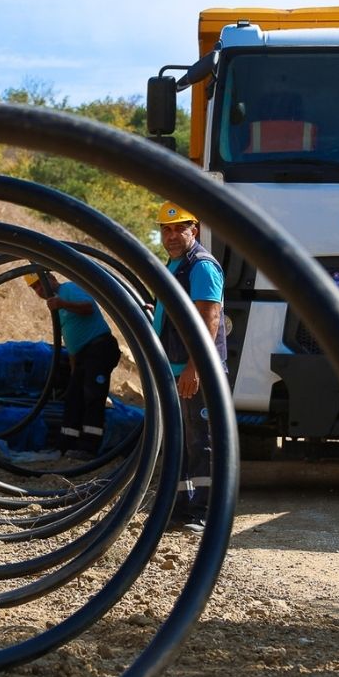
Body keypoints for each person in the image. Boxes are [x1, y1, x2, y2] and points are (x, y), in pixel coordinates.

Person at [153, 202, 227, 534]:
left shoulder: (201, 267)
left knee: (203, 441)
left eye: (178, 228)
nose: (171, 235)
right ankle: (182, 509)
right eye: (165, 229)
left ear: (193, 230)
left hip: (195, 370)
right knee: (180, 442)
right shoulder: (174, 265)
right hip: (174, 366)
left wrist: (195, 368)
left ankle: (205, 512)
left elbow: (209, 320)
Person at [26, 271, 121, 459]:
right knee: (74, 397)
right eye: (34, 287)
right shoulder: (56, 305)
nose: (38, 289)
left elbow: (88, 307)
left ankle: (88, 448)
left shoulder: (67, 289)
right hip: (82, 355)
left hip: (99, 347)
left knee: (93, 396)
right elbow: (70, 339)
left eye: (40, 283)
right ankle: (66, 445)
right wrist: (73, 369)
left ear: (52, 278)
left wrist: (63, 303)